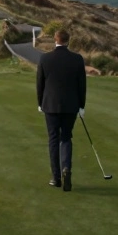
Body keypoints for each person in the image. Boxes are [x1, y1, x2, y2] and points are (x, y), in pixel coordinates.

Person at [36, 28, 87, 191]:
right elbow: (82, 86)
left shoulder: (45, 58)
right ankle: (67, 168)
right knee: (65, 137)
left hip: (50, 105)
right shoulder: (77, 59)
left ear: (55, 40)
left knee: (53, 139)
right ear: (68, 41)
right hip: (71, 106)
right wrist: (82, 106)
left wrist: (40, 103)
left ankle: (56, 178)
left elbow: (40, 84)